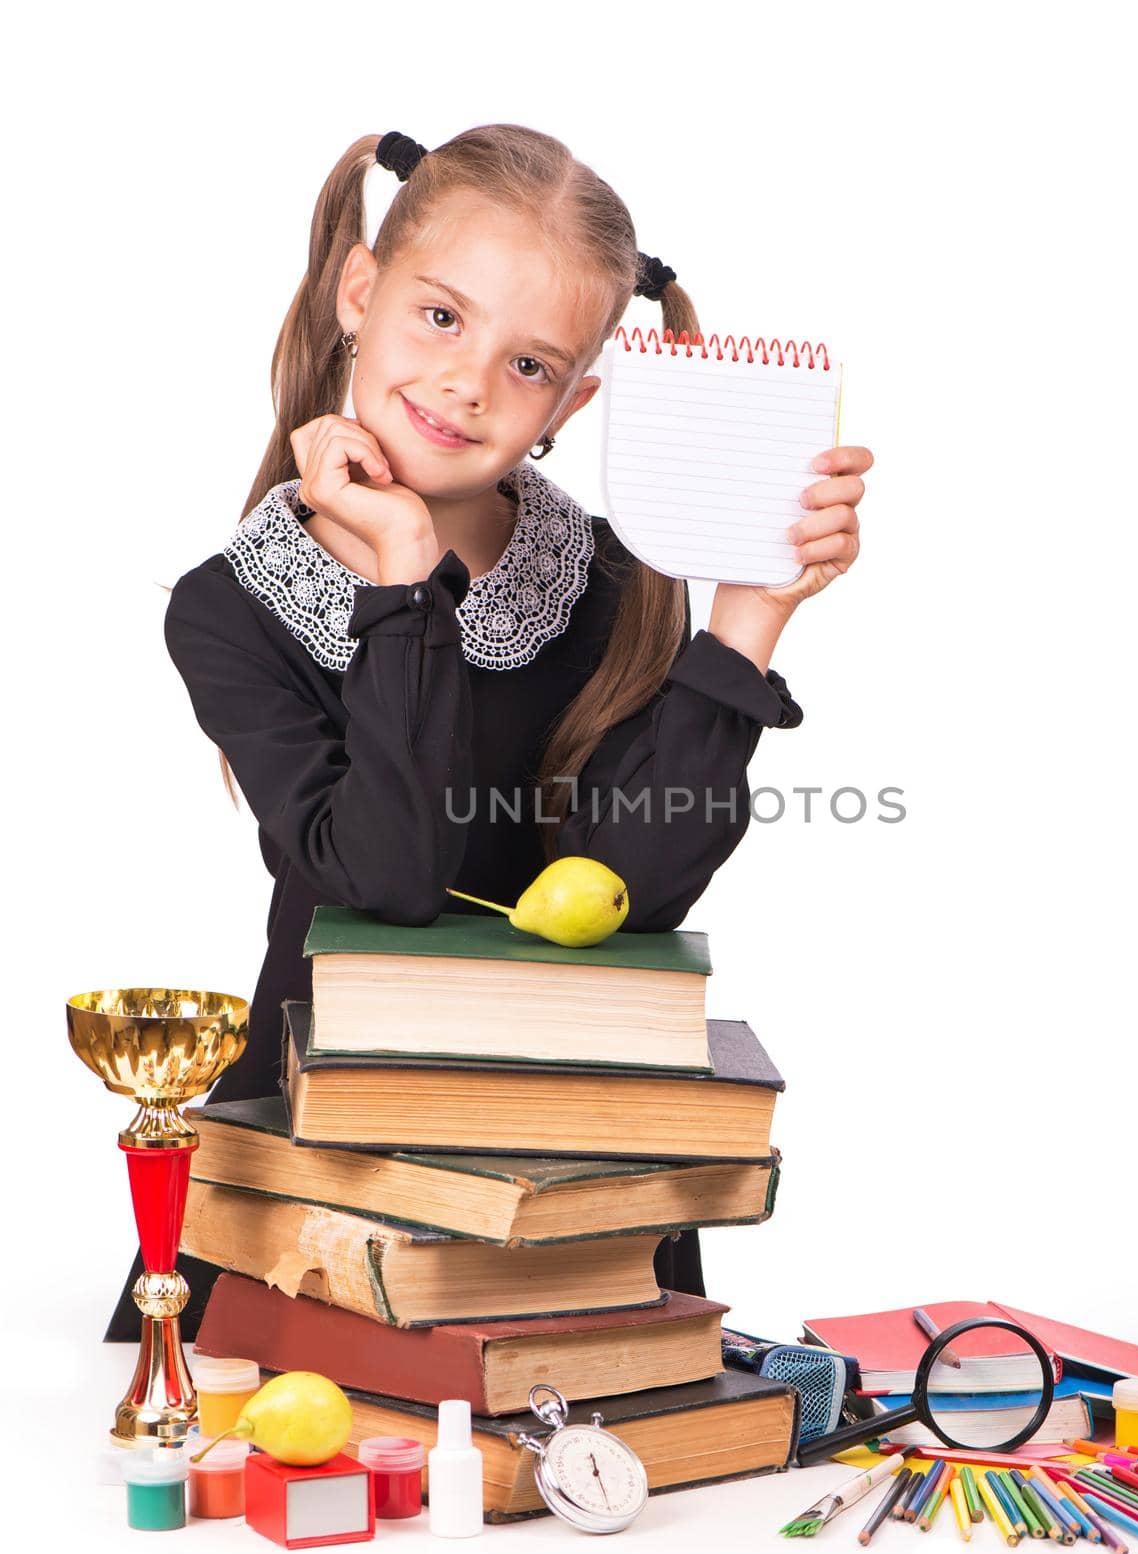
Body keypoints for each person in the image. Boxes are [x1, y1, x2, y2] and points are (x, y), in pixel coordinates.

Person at [106, 123, 874, 1340]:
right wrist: (406, 580)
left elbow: (638, 885)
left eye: (529, 365)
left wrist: (743, 631)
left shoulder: (618, 581)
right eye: (442, 318)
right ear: (360, 292)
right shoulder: (230, 609)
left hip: (568, 1142)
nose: (467, 383)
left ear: (575, 399)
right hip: (331, 1144)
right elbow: (389, 879)